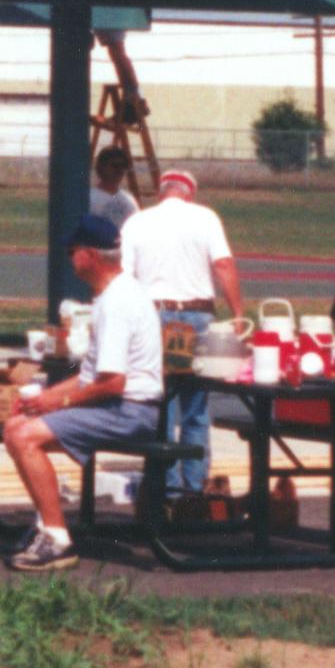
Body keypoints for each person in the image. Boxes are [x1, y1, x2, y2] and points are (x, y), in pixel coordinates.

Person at [0, 213, 164, 572]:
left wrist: (55, 401)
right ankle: (47, 524)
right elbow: (91, 375)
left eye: (72, 251)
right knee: (15, 428)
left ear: (88, 255)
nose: (70, 258)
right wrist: (42, 400)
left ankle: (58, 539)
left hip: (130, 411)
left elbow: (112, 384)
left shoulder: (118, 303)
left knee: (26, 437)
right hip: (118, 405)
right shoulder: (111, 297)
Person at [120, 167, 241, 500]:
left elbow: (125, 277)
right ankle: (195, 483)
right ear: (190, 192)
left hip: (153, 315)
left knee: (161, 401)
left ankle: (166, 483)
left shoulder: (137, 222)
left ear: (162, 192)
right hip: (196, 315)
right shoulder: (205, 217)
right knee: (196, 404)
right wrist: (239, 314)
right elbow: (224, 266)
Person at [88, 145, 141, 231]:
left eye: (123, 166)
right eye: (115, 166)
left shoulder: (129, 200)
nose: (119, 170)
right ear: (101, 167)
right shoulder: (89, 198)